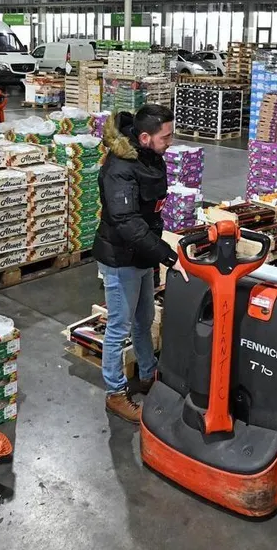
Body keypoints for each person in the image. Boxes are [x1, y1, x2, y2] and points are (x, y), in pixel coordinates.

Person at [95, 104, 187, 423]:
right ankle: (115, 393)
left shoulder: (150, 156)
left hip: (142, 254)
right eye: (166, 136)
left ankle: (148, 374)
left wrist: (154, 255)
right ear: (145, 137)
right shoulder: (120, 167)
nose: (170, 141)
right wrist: (166, 254)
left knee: (144, 318)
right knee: (119, 327)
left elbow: (150, 213)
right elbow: (126, 221)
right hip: (121, 257)